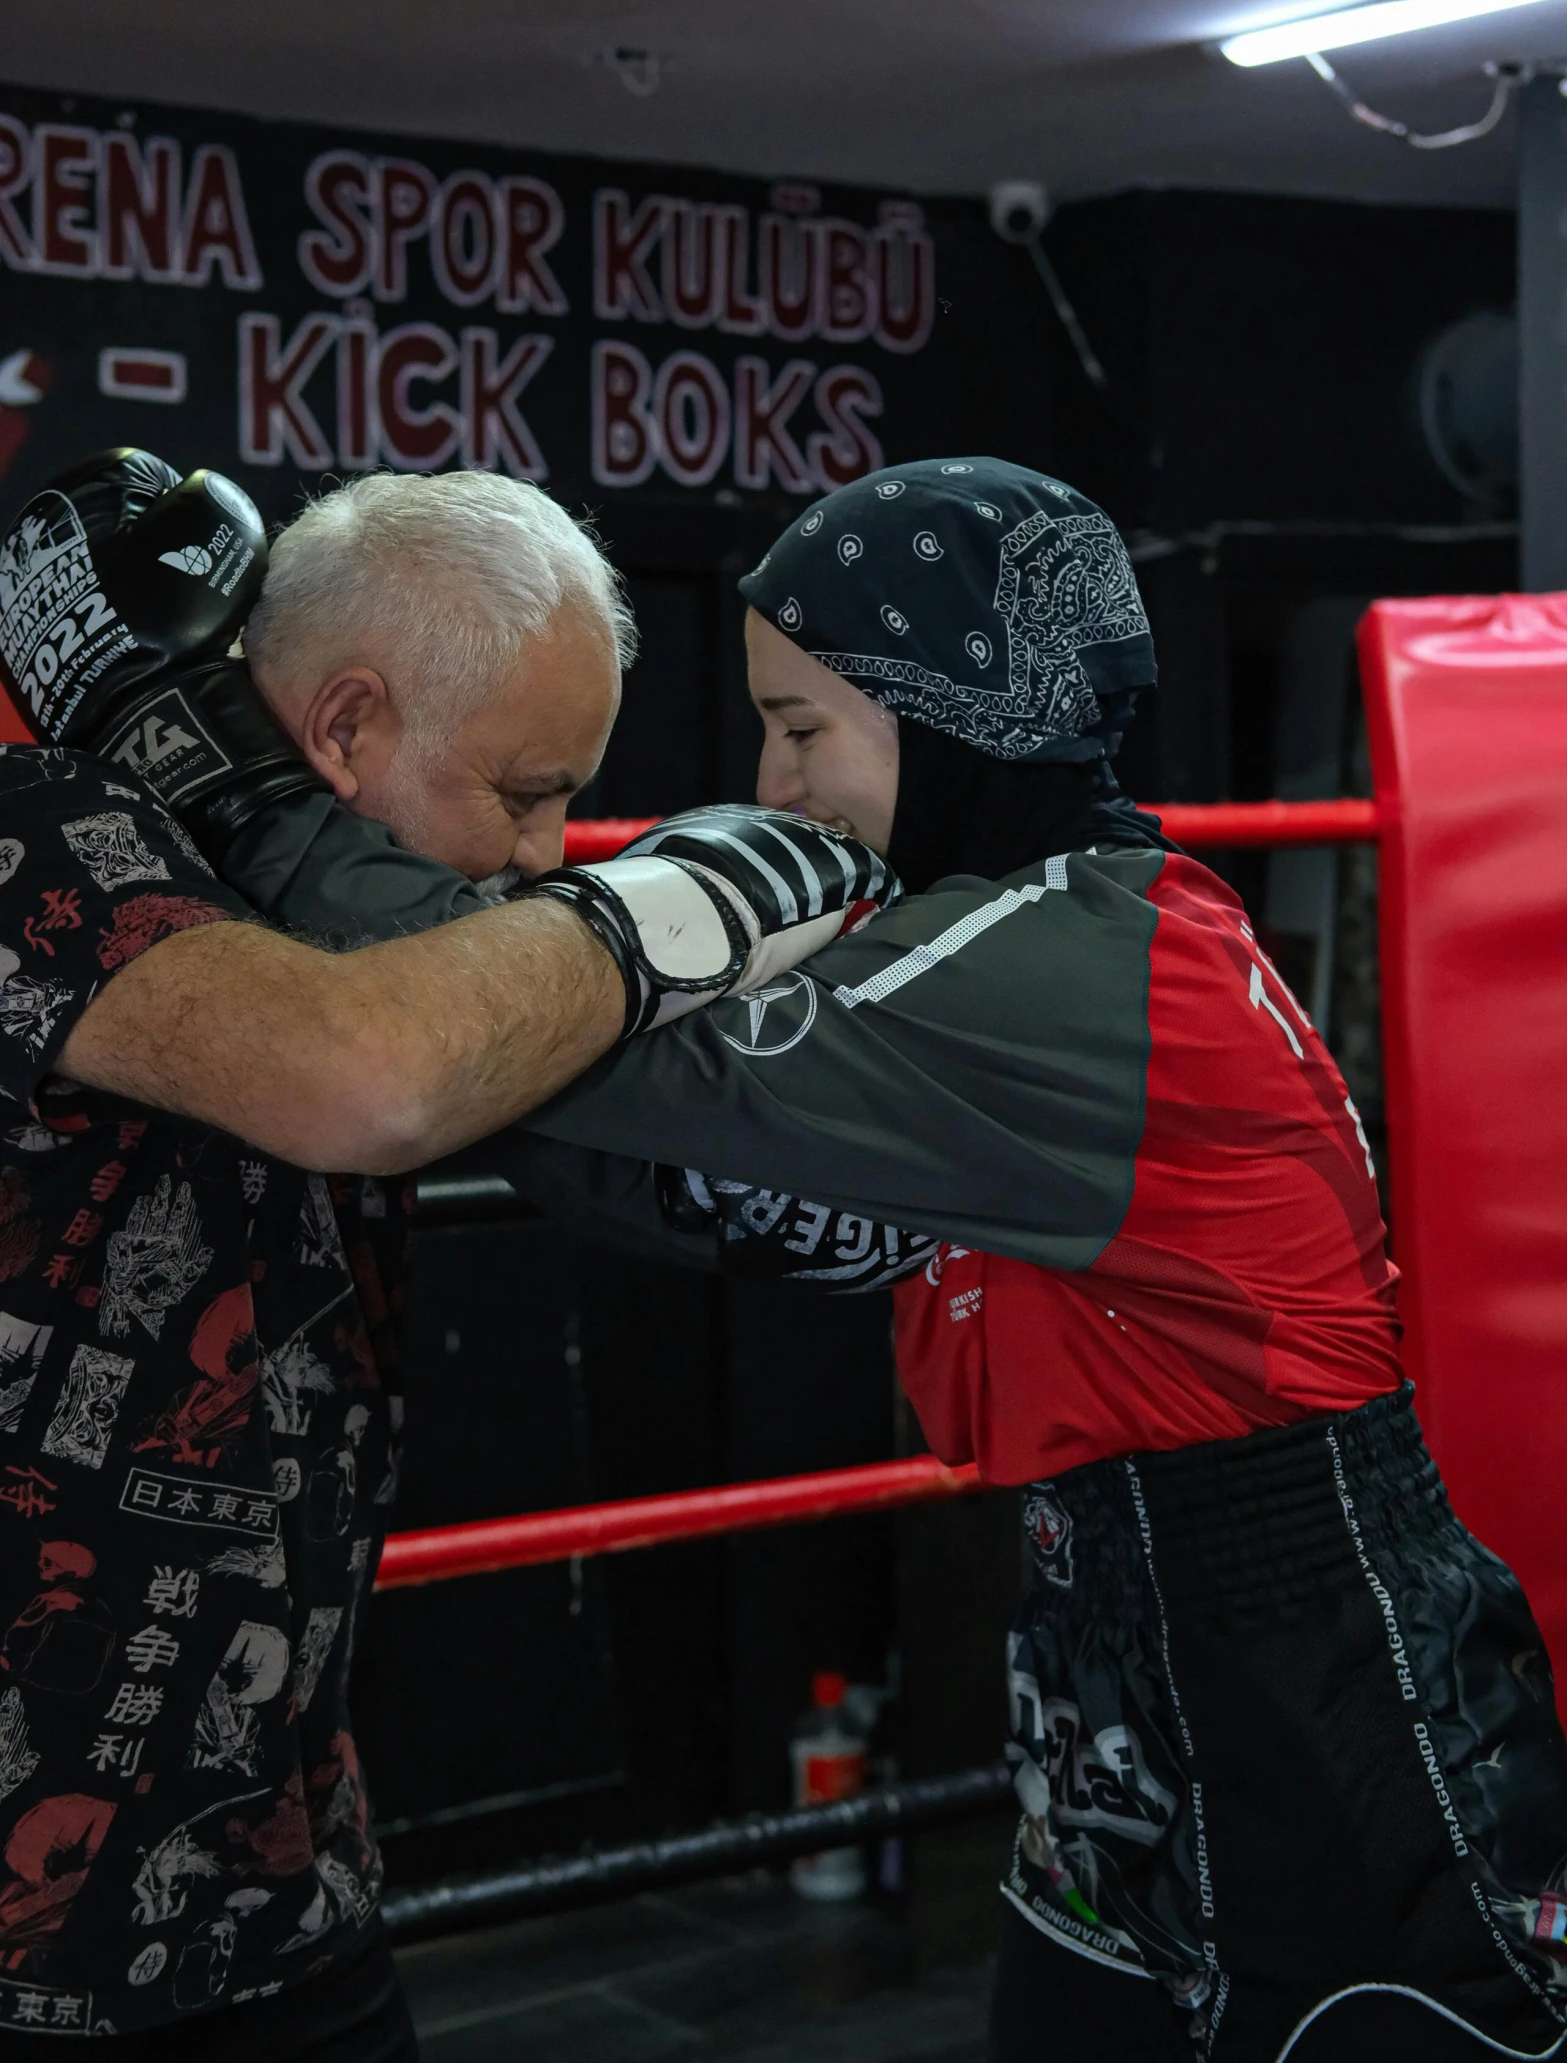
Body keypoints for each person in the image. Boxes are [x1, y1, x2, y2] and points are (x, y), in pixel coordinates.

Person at [146, 454, 1567, 2063]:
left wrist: (229, 776)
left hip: (1309, 1675)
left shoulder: (1064, 963)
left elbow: (563, 1066)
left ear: (956, 709)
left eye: (807, 728)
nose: (780, 780)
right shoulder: (1019, 933)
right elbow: (645, 1167)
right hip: (1110, 1651)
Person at [0, 451, 893, 2058]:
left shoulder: (384, 916)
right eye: (526, 793)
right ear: (343, 726)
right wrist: (676, 909)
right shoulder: (39, 838)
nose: (549, 849)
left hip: (277, 1868)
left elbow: (590, 1124)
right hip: (33, 1922)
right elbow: (369, 1076)